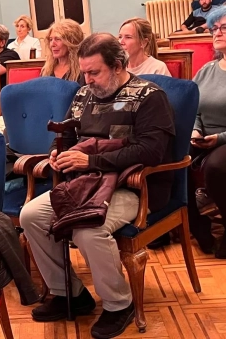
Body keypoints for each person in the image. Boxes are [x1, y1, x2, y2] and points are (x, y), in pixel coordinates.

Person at [20, 33, 175, 339]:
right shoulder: (83, 95)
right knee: (30, 216)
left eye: (94, 72)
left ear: (118, 66)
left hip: (132, 188)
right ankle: (69, 293)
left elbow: (150, 152)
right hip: (86, 184)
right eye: (85, 72)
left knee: (88, 227)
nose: (87, 79)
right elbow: (69, 134)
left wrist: (89, 162)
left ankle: (120, 304)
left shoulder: (149, 96)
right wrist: (59, 151)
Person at [186, 6, 226, 257]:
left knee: (216, 167)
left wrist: (219, 139)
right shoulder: (206, 70)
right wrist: (194, 131)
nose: (217, 32)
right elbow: (195, 109)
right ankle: (198, 227)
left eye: (224, 28)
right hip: (203, 137)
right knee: (170, 156)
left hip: (224, 139)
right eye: (214, 28)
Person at [40, 19, 85, 85]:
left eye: (58, 39)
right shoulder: (47, 71)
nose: (52, 44)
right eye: (50, 39)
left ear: (72, 42)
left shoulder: (83, 70)